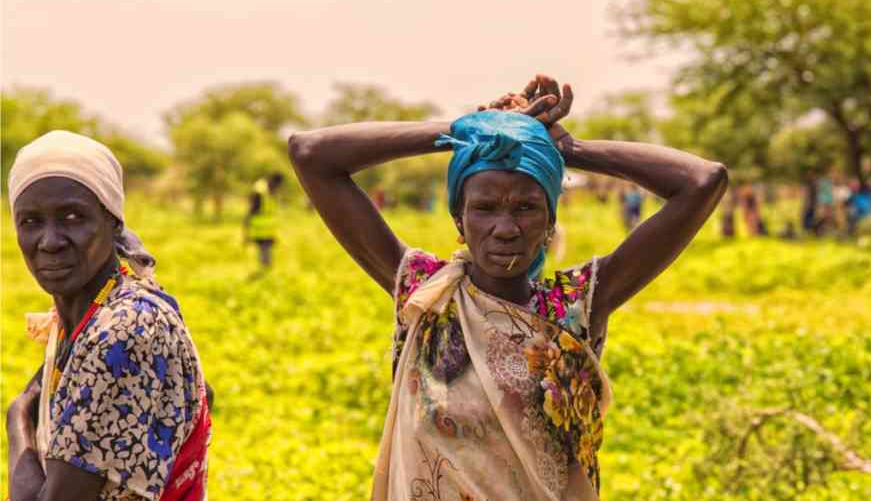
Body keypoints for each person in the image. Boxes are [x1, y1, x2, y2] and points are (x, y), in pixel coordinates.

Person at [288, 74, 728, 500]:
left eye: (526, 207)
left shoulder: (576, 305)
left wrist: (562, 148)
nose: (505, 228)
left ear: (551, 220)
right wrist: (462, 132)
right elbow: (310, 154)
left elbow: (701, 181)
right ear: (459, 220)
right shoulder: (426, 292)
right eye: (484, 208)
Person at [6, 131, 211, 501]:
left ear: (113, 222)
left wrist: (18, 416)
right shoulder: (83, 317)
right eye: (31, 221)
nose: (49, 241)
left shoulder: (127, 328)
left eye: (72, 217)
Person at [244, 172, 283, 271]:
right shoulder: (260, 193)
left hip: (269, 230)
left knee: (266, 251)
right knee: (264, 251)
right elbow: (251, 211)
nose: (277, 188)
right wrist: (246, 231)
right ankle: (264, 270)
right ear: (271, 181)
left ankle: (265, 270)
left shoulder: (272, 192)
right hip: (259, 229)